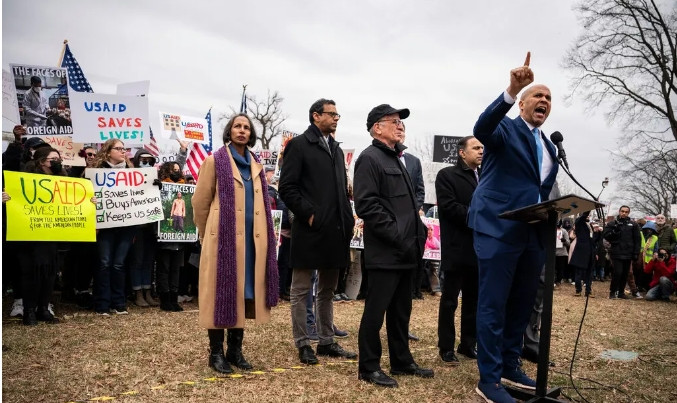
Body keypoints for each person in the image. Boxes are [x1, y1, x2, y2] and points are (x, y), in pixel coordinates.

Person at [467, 52, 559, 403]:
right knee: (493, 304)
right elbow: (482, 128)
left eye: (549, 99)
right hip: (498, 229)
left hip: (533, 234)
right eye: (537, 95)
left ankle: (509, 364)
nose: (544, 101)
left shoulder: (549, 145)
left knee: (521, 305)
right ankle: (489, 379)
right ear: (521, 104)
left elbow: (540, 188)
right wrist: (511, 89)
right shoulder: (505, 129)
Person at [354, 104, 433, 388]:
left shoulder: (399, 158)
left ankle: (402, 361)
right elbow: (367, 204)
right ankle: (369, 367)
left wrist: (417, 233)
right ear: (378, 127)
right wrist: (397, 235)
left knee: (401, 311)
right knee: (376, 311)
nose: (401, 126)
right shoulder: (369, 158)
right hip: (386, 251)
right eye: (395, 121)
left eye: (402, 123)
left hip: (407, 251)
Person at [193, 113, 279, 374]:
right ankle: (216, 353)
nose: (241, 130)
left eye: (246, 127)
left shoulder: (256, 165)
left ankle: (235, 351)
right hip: (223, 242)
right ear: (229, 132)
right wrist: (207, 233)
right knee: (220, 293)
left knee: (243, 293)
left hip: (252, 244)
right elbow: (200, 203)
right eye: (236, 126)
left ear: (250, 134)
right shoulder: (214, 161)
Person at [278, 99, 356, 365]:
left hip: (336, 230)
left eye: (337, 114)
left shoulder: (335, 148)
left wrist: (347, 218)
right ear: (315, 116)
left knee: (327, 289)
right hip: (310, 229)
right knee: (301, 289)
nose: (336, 118)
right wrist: (310, 214)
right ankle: (303, 343)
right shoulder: (298, 145)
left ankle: (326, 341)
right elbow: (287, 188)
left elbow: (340, 191)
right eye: (332, 114)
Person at [435, 135, 483, 365]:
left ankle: (467, 344)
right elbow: (449, 207)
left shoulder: (485, 176)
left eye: (482, 147)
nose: (481, 151)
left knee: (473, 301)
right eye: (475, 147)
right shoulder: (447, 176)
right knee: (450, 301)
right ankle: (446, 347)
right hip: (456, 247)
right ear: (462, 153)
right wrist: (481, 217)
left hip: (480, 248)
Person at [92, 140, 137, 315]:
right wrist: (91, 200)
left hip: (126, 226)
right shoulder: (96, 173)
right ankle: (102, 303)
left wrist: (154, 185)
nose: (122, 151)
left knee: (119, 264)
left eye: (124, 149)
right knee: (104, 263)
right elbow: (82, 195)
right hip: (104, 226)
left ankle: (119, 302)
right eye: (118, 148)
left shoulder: (132, 173)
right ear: (108, 151)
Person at [127, 149, 160, 308]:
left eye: (149, 160)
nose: (146, 163)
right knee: (137, 260)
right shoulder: (129, 177)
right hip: (136, 227)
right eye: (143, 160)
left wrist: (160, 188)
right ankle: (137, 292)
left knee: (149, 260)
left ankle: (147, 291)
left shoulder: (155, 178)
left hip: (151, 227)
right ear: (137, 160)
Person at [157, 162, 188, 312]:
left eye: (178, 170)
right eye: (173, 170)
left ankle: (174, 299)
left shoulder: (186, 188)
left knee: (176, 268)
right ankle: (165, 299)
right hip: (164, 238)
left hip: (180, 239)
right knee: (164, 267)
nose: (176, 172)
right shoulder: (160, 187)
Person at [603, 205, 641, 299]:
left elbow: (637, 239)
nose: (624, 213)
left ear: (628, 213)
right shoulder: (612, 223)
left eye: (626, 212)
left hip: (628, 252)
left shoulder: (633, 224)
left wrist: (636, 253)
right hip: (616, 252)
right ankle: (612, 292)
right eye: (622, 211)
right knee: (618, 272)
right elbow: (606, 235)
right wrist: (615, 231)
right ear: (619, 211)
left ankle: (621, 292)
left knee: (625, 273)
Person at [569, 211, 598, 297]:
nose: (588, 217)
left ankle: (588, 291)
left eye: (589, 216)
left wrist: (595, 252)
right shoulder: (579, 222)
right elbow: (582, 217)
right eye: (587, 215)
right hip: (581, 251)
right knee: (579, 272)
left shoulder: (590, 225)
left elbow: (593, 239)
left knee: (590, 273)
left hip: (590, 251)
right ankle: (578, 290)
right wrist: (588, 207)